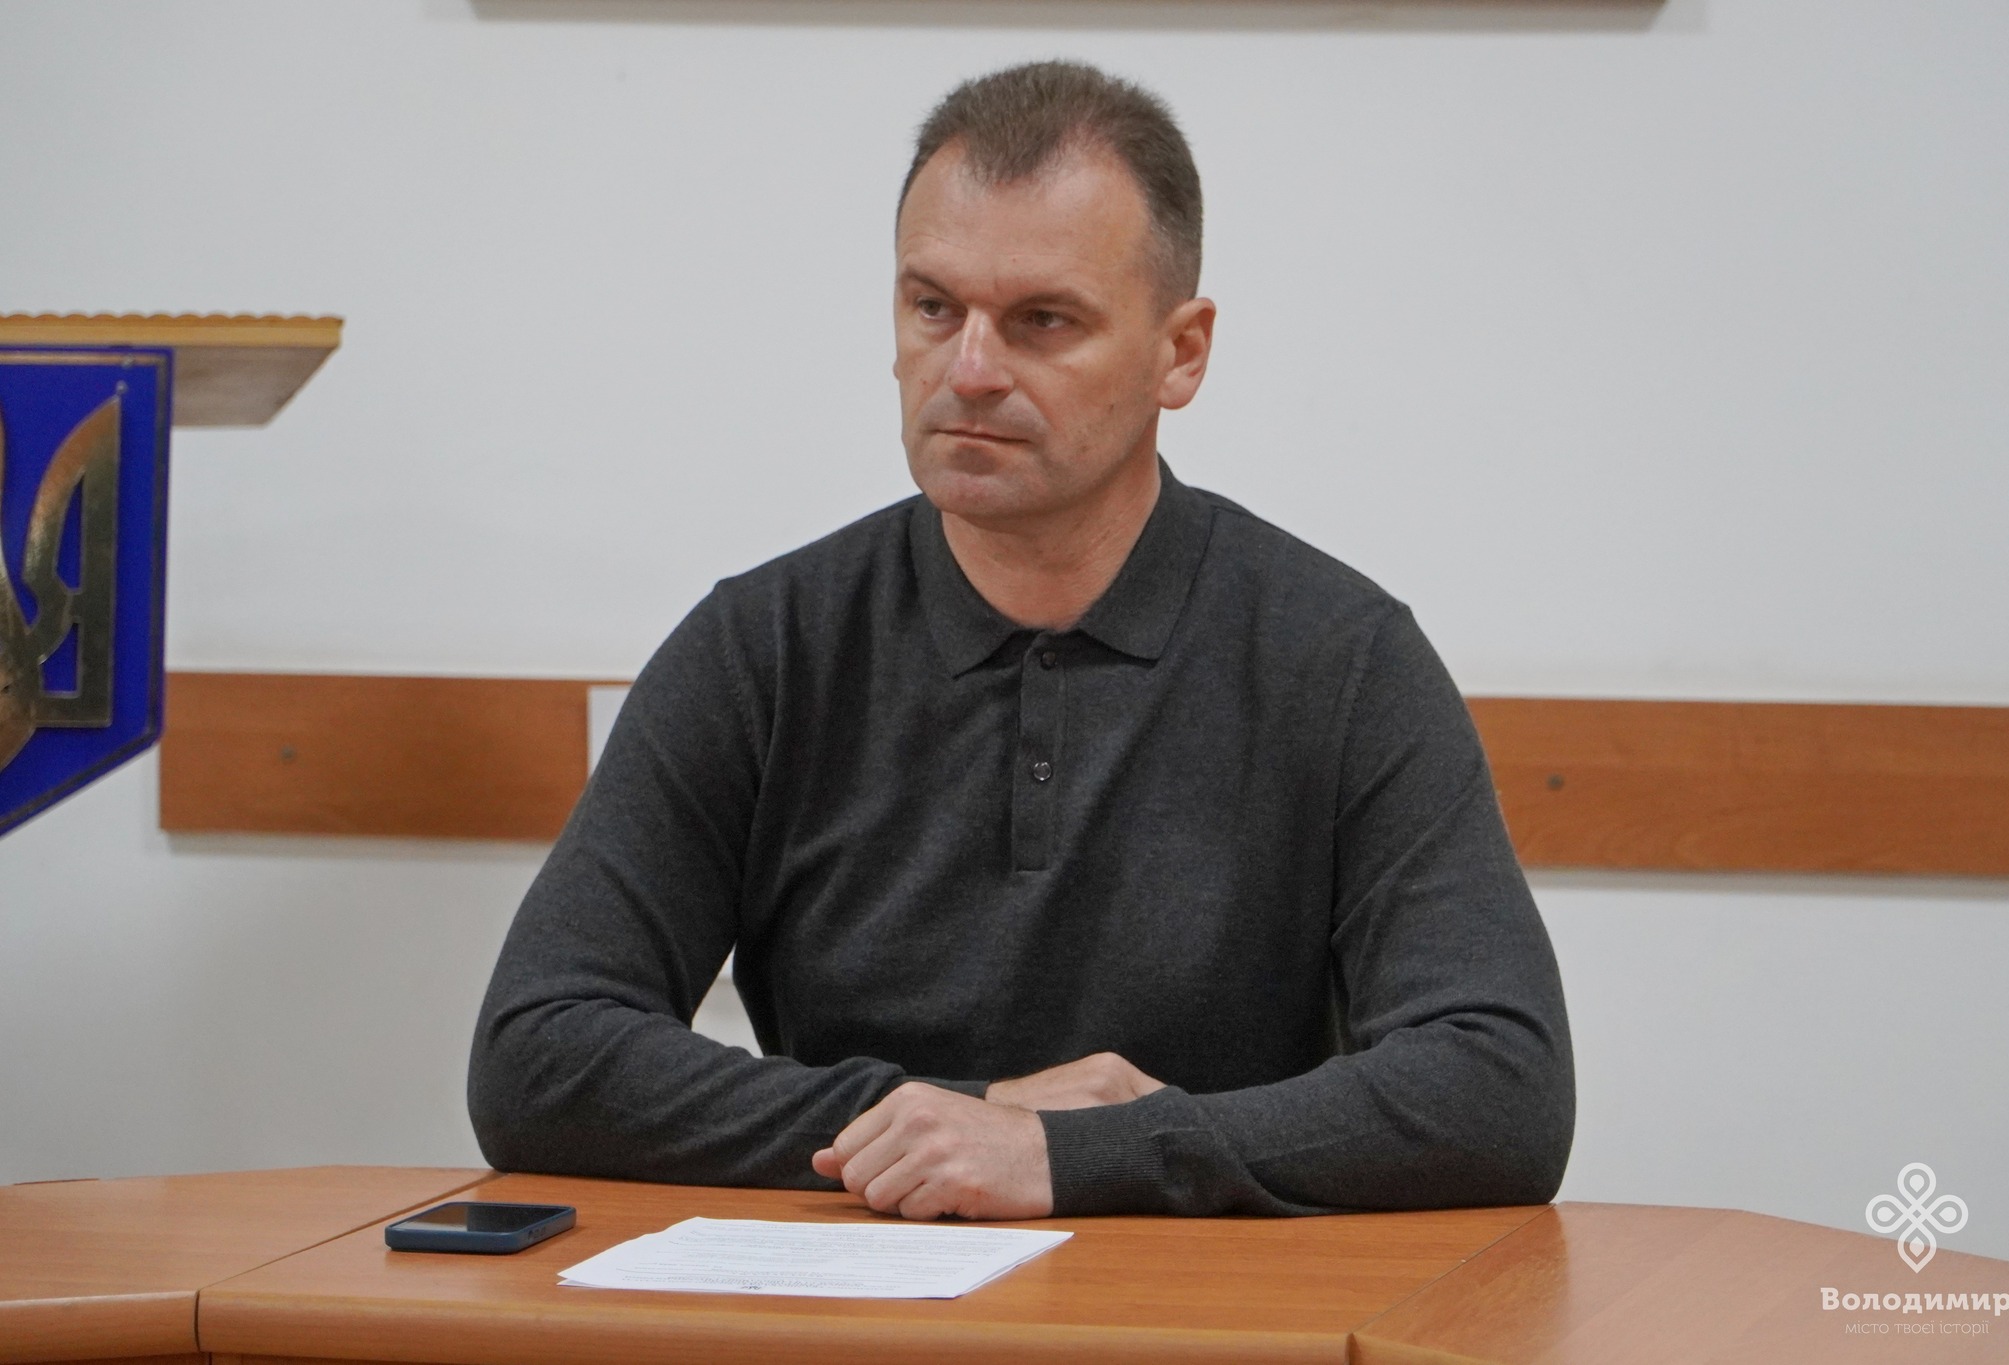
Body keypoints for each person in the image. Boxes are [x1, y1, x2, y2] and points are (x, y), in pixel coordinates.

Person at [468, 60, 1573, 1221]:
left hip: (1204, 1298)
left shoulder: (1339, 659)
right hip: (846, 1289)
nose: (970, 370)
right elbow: (538, 1055)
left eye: (1042, 322)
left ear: (1180, 353)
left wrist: (1074, 1155)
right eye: (932, 308)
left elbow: (1497, 1090)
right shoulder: (764, 646)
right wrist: (958, 1117)